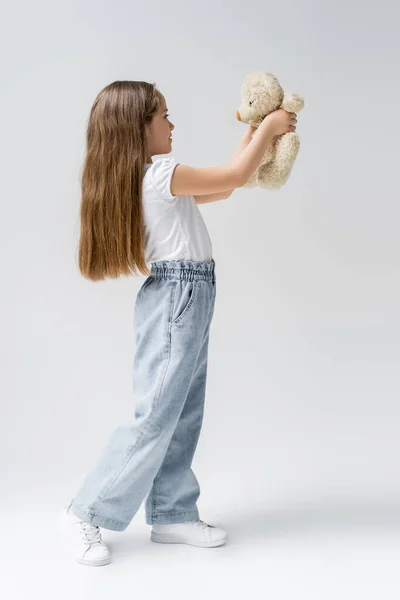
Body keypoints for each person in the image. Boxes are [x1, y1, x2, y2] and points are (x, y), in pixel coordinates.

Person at [59, 80, 297, 566]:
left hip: (191, 294)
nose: (172, 125)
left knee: (184, 409)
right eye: (164, 115)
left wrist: (256, 138)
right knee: (156, 416)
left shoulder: (154, 179)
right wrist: (270, 127)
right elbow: (234, 174)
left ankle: (171, 512)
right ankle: (87, 511)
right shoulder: (162, 173)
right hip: (177, 298)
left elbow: (228, 184)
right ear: (138, 127)